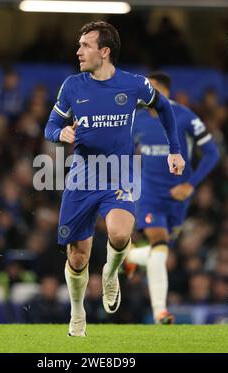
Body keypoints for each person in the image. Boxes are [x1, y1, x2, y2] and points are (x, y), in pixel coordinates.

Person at [44, 22, 185, 336]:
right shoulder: (72, 85)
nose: (78, 51)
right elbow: (50, 124)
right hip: (81, 179)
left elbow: (163, 107)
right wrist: (60, 132)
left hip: (118, 175)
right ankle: (77, 312)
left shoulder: (134, 85)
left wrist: (174, 150)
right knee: (78, 257)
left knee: (121, 236)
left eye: (86, 46)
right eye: (79, 45)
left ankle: (110, 274)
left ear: (104, 52)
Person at [125, 71, 219, 324]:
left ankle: (131, 256)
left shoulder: (186, 117)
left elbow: (212, 153)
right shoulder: (137, 120)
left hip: (178, 198)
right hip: (149, 195)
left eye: (150, 88)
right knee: (160, 245)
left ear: (163, 91)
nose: (144, 95)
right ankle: (160, 312)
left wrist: (191, 184)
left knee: (160, 252)